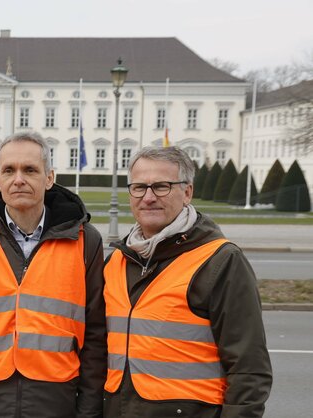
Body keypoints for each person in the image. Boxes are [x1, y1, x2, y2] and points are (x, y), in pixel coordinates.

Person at [0, 131, 106, 418]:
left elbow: (95, 335)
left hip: (54, 401)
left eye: (30, 170)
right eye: (9, 170)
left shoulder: (85, 240)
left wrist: (89, 411)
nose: (18, 179)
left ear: (49, 178)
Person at [103, 146, 272, 418]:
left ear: (187, 193)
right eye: (139, 187)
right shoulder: (116, 262)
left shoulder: (221, 260)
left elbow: (249, 367)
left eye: (161, 186)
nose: (148, 197)